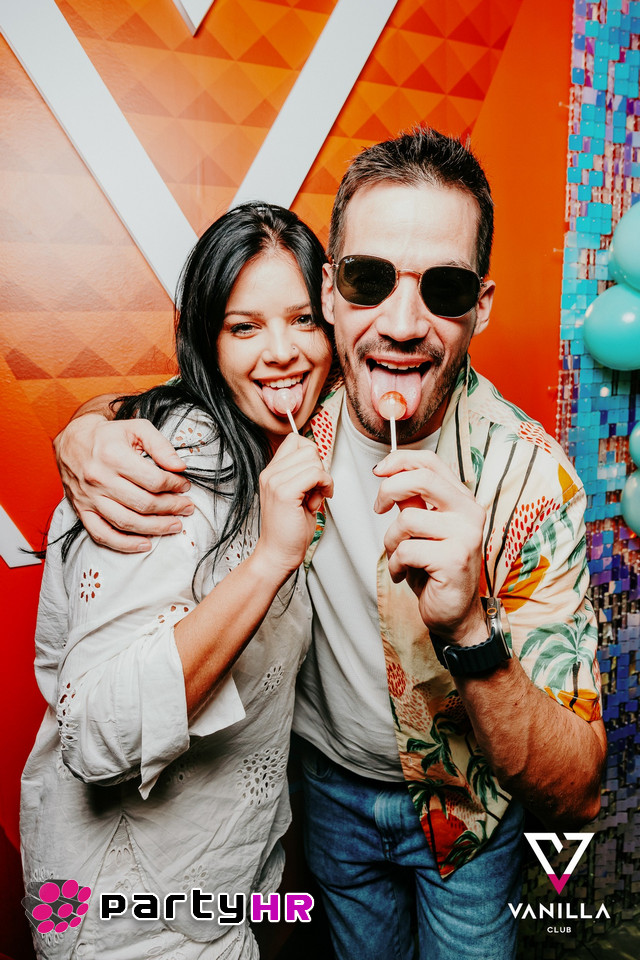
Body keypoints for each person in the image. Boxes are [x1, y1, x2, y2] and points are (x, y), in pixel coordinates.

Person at [53, 128, 606, 960]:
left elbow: (578, 791)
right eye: (369, 279)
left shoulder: (531, 482)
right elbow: (196, 390)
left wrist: (471, 629)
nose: (403, 323)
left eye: (445, 287)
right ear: (331, 291)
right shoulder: (294, 403)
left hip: (467, 815)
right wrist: (85, 428)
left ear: (482, 305)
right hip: (325, 800)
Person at [21, 202, 334, 960]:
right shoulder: (171, 468)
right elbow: (96, 736)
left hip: (219, 889)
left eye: (303, 319)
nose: (283, 352)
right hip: (130, 918)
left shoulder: (278, 439)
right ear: (204, 339)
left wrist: (87, 417)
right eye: (244, 327)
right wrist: (269, 562)